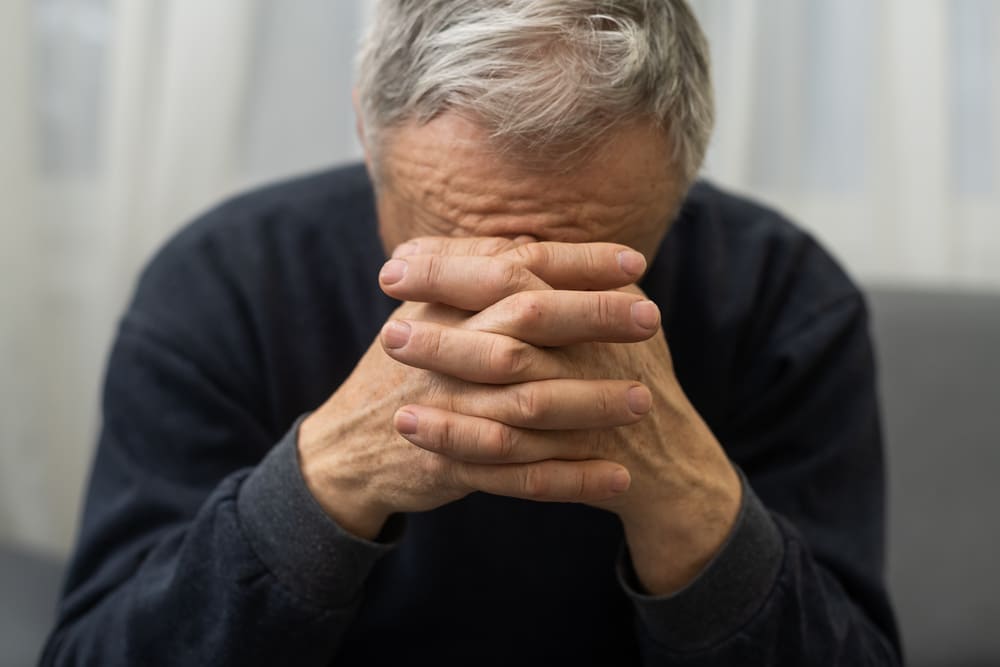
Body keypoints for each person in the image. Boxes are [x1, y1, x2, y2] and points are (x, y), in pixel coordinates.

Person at [42, 1, 901, 664]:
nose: (517, 312)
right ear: (366, 138)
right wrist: (325, 479)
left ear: (685, 168)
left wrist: (691, 499)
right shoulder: (221, 284)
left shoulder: (788, 300)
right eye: (456, 249)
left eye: (581, 260)